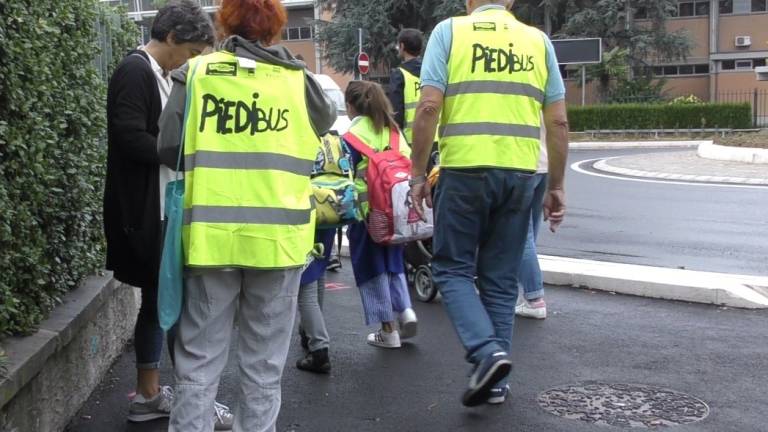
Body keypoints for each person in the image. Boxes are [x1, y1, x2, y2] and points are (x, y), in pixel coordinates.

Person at [156, 0, 335, 430]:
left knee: (198, 364)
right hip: (279, 244)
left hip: (212, 240)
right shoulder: (299, 80)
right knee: (263, 369)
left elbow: (167, 146)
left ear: (225, 24)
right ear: (275, 28)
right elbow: (324, 121)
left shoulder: (197, 74)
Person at [409, 0, 569, 407]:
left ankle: (486, 353)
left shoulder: (450, 32)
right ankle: (495, 384)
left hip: (465, 171)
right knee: (500, 280)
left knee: (452, 269)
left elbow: (429, 106)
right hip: (521, 175)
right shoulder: (538, 41)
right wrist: (557, 185)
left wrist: (416, 173)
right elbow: (558, 121)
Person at [102, 1, 230, 426]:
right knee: (177, 305)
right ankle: (192, 399)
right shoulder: (136, 71)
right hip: (148, 211)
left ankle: (149, 394)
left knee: (160, 302)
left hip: (157, 207)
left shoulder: (155, 72)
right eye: (193, 52)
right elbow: (127, 136)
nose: (194, 62)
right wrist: (182, 152)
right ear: (172, 38)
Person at [344, 81, 418, 349]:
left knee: (371, 267)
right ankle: (405, 311)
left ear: (351, 106)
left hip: (368, 216)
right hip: (398, 213)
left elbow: (345, 177)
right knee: (393, 262)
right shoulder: (394, 131)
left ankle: (388, 331)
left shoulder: (351, 137)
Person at [516, 120, 549, 319]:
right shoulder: (544, 87)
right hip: (545, 163)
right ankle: (526, 293)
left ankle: (534, 298)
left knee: (521, 237)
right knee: (530, 235)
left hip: (523, 164)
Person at [295, 229, 336, 373]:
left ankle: (319, 348)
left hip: (308, 219)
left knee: (305, 286)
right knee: (318, 266)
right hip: (328, 215)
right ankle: (309, 331)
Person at [388, 28, 425, 144]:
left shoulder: (399, 74)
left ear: (402, 46)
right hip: (435, 138)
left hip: (410, 140)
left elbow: (396, 112)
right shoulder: (432, 70)